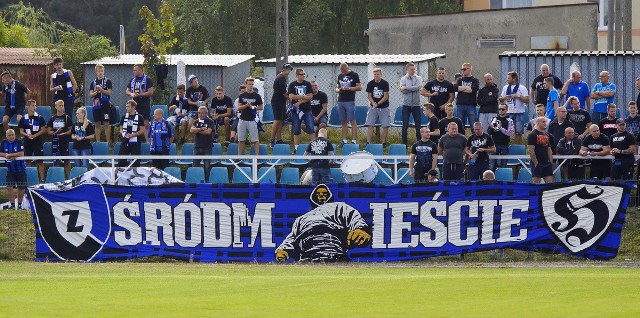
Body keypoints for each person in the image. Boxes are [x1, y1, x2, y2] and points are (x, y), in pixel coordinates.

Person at [274, 184, 371, 262]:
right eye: (318, 194)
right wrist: (283, 249)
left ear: (329, 196)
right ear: (312, 197)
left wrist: (360, 229)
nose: (321, 196)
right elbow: (292, 237)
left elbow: (354, 218)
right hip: (306, 253)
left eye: (324, 194)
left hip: (333, 248)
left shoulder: (340, 207)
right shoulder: (301, 219)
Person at [18, 100, 46, 182]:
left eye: (35, 105)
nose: (34, 107)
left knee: (40, 161)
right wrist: (27, 135)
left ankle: (42, 180)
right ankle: (28, 179)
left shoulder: (39, 117)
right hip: (27, 141)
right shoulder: (24, 118)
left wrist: (34, 135)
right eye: (33, 105)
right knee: (27, 161)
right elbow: (21, 131)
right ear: (28, 107)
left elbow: (43, 130)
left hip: (37, 141)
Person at [126, 64, 154, 143]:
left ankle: (148, 142)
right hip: (134, 103)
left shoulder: (147, 79)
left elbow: (150, 92)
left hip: (144, 103)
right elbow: (127, 90)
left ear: (141, 70)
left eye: (136, 70)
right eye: (133, 70)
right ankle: (133, 139)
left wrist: (140, 94)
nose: (134, 72)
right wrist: (131, 94)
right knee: (133, 122)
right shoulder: (132, 80)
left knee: (145, 123)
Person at [498, 71, 529, 143]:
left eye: (509, 78)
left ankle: (516, 146)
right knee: (505, 129)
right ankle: (505, 144)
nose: (507, 80)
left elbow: (527, 100)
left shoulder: (522, 88)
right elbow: (500, 99)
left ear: (514, 79)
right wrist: (505, 97)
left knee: (518, 131)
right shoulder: (505, 88)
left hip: (519, 112)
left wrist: (518, 96)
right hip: (508, 112)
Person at [336, 62, 362, 146]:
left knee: (352, 121)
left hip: (350, 100)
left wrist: (349, 88)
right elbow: (337, 87)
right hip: (341, 100)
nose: (342, 72)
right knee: (343, 121)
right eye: (341, 70)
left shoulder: (354, 75)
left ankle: (354, 140)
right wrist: (338, 90)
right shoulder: (340, 76)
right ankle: (344, 140)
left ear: (347, 68)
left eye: (344, 70)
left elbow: (359, 87)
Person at [288, 68, 315, 148]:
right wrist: (304, 97)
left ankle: (314, 147)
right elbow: (291, 96)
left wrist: (300, 101)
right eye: (301, 74)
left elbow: (310, 97)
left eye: (304, 74)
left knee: (310, 128)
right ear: (297, 75)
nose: (303, 76)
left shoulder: (307, 84)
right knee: (296, 129)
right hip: (296, 111)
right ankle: (296, 148)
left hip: (307, 110)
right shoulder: (292, 85)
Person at [237, 77, 263, 157]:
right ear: (246, 85)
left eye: (252, 84)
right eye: (249, 84)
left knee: (255, 140)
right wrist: (246, 106)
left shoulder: (257, 96)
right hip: (243, 119)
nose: (251, 86)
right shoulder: (242, 95)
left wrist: (253, 107)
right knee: (241, 140)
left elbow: (261, 107)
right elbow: (239, 107)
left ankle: (257, 156)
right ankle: (239, 156)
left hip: (252, 119)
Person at [47, 99, 73, 178]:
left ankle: (69, 178)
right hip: (55, 142)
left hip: (64, 142)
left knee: (66, 161)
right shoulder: (52, 118)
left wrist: (64, 133)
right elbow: (48, 131)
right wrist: (55, 133)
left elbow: (71, 130)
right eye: (60, 106)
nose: (61, 107)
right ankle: (57, 177)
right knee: (56, 160)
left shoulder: (66, 118)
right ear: (56, 107)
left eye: (62, 106)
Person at [1, 129, 26, 209]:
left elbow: (22, 153)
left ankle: (19, 205)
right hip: (10, 170)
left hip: (21, 169)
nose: (11, 136)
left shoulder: (19, 142)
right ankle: (12, 205)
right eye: (9, 135)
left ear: (15, 135)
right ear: (6, 136)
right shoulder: (4, 143)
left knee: (21, 188)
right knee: (9, 187)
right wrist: (5, 155)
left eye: (13, 135)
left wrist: (11, 155)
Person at [365, 68, 390, 146]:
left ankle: (383, 143)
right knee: (370, 124)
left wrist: (378, 104)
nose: (376, 76)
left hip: (384, 107)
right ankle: (368, 142)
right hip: (373, 107)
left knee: (385, 125)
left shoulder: (385, 83)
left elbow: (386, 96)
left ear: (381, 75)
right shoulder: (370, 84)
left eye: (378, 74)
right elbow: (369, 96)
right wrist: (373, 103)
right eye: (375, 74)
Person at [269, 63, 292, 148]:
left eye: (290, 69)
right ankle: (272, 139)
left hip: (281, 102)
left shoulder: (283, 78)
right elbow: (284, 92)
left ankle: (279, 139)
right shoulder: (281, 78)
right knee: (277, 120)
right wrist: (290, 99)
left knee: (281, 121)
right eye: (288, 69)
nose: (289, 71)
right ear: (284, 69)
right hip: (277, 102)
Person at [89, 64, 113, 144]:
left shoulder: (107, 81)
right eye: (99, 71)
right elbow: (91, 95)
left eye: (102, 71)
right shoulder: (93, 82)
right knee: (97, 123)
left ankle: (108, 142)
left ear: (104, 71)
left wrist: (102, 90)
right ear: (96, 72)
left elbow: (109, 92)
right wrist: (96, 91)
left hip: (105, 104)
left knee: (106, 123)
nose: (100, 73)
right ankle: (98, 142)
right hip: (96, 105)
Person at [400, 62, 423, 145]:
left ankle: (419, 143)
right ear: (407, 69)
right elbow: (403, 91)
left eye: (414, 69)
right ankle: (404, 144)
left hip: (416, 105)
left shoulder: (418, 78)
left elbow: (418, 87)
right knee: (405, 125)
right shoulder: (403, 79)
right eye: (411, 69)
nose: (413, 70)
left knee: (418, 126)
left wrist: (406, 87)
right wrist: (411, 88)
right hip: (406, 105)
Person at [118, 100, 146, 168]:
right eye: (126, 106)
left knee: (136, 161)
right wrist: (124, 134)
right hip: (125, 140)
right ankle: (120, 175)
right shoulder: (124, 117)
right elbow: (121, 129)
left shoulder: (139, 117)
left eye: (128, 106)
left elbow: (142, 130)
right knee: (121, 160)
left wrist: (132, 135)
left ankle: (136, 176)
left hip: (135, 141)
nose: (127, 108)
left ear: (133, 107)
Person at [527, 116, 554, 184]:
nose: (545, 123)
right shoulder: (532, 135)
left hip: (546, 163)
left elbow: (549, 149)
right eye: (543, 122)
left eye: (545, 122)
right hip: (537, 163)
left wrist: (551, 162)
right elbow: (531, 150)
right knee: (536, 183)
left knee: (550, 184)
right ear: (538, 123)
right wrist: (536, 163)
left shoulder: (547, 135)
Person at [455, 63, 480, 135]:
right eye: (462, 69)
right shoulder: (459, 79)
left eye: (464, 69)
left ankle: (475, 141)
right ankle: (461, 142)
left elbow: (473, 90)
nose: (463, 71)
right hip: (460, 105)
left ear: (470, 69)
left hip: (471, 106)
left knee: (473, 126)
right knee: (460, 126)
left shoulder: (475, 80)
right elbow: (456, 88)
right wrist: (467, 88)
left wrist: (461, 88)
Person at [488, 103, 514, 170]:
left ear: (506, 110)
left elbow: (510, 133)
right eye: (499, 109)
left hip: (504, 145)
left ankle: (503, 180)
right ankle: (491, 180)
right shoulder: (494, 119)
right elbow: (489, 132)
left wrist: (500, 128)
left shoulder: (509, 120)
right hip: (494, 145)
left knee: (504, 167)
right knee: (492, 166)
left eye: (503, 109)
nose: (501, 111)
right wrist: (491, 128)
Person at [190, 106, 214, 180]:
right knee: (195, 166)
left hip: (207, 147)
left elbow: (208, 132)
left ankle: (207, 182)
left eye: (202, 113)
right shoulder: (196, 121)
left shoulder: (210, 121)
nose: (200, 114)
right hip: (197, 146)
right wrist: (201, 129)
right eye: (199, 113)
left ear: (206, 113)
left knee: (207, 167)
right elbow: (191, 130)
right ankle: (195, 181)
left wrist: (197, 130)